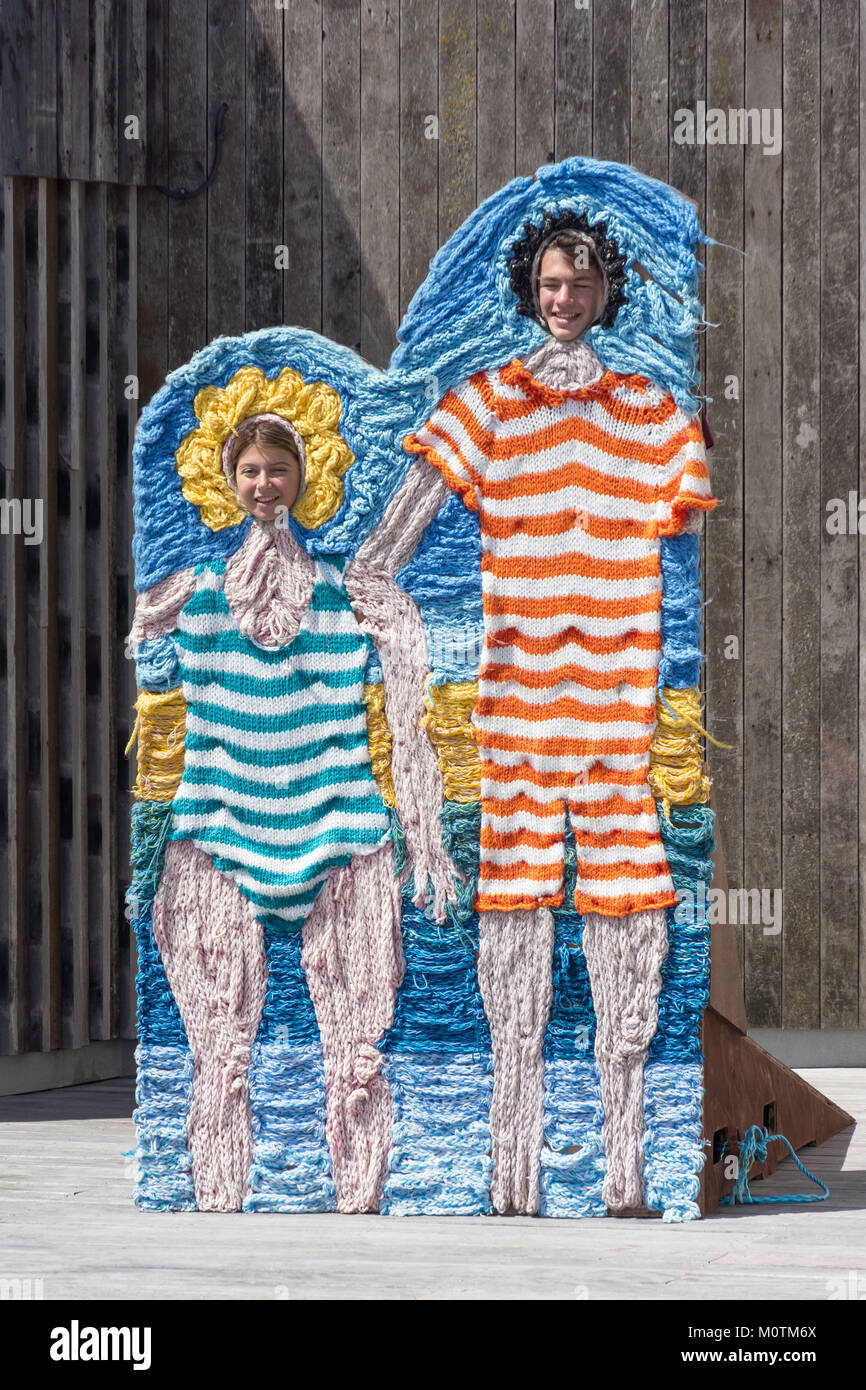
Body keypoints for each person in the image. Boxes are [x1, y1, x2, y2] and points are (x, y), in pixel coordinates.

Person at [357, 212, 717, 1214]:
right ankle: (511, 1178)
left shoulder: (650, 415)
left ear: (605, 293)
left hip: (613, 719)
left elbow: (686, 512)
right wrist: (407, 662)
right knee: (512, 939)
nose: (564, 299)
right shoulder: (484, 406)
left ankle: (626, 1172)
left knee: (626, 936)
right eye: (551, 283)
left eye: (582, 283)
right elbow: (377, 556)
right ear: (531, 288)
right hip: (517, 715)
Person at [127, 410, 457, 1213]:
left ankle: (360, 1196)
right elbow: (139, 639)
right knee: (217, 1050)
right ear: (228, 482)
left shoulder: (348, 593)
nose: (265, 483)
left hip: (338, 826)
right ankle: (215, 1194)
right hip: (218, 827)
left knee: (357, 1050)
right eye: (251, 471)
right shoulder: (197, 590)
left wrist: (426, 834)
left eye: (279, 469)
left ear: (304, 480)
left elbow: (411, 691)